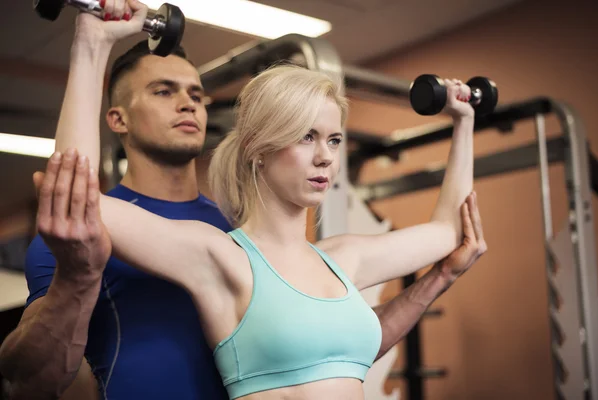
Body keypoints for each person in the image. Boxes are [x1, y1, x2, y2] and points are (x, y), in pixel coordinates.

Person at [0, 1, 486, 399]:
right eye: (304, 137)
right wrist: (92, 42)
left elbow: (448, 232)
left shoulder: (344, 258)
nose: (325, 159)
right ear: (258, 149)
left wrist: (463, 122)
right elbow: (77, 194)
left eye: (335, 141)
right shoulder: (220, 255)